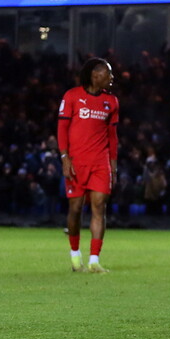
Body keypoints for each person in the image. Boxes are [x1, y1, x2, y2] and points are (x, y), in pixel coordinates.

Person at [57, 58, 119, 273]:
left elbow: (112, 137)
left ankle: (94, 259)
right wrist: (65, 158)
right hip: (77, 163)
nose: (112, 78)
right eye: (108, 73)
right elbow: (62, 129)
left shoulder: (111, 102)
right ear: (96, 74)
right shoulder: (72, 96)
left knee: (99, 207)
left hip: (100, 163)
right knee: (75, 210)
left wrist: (114, 166)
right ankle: (75, 254)